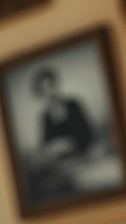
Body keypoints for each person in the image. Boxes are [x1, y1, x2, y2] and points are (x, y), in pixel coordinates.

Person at [26, 66, 95, 202]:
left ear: (55, 85)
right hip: (59, 166)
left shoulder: (74, 105)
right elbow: (45, 145)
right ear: (40, 93)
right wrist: (49, 150)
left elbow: (87, 133)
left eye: (50, 86)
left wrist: (67, 143)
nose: (49, 92)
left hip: (82, 158)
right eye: (43, 90)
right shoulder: (44, 117)